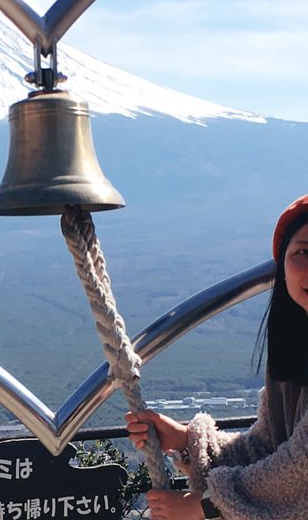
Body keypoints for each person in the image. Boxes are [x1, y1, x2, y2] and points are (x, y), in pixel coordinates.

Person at [125, 194, 308, 520]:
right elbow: (267, 447)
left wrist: (206, 506)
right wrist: (188, 443)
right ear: (282, 266)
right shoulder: (294, 347)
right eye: (303, 252)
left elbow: (299, 468)